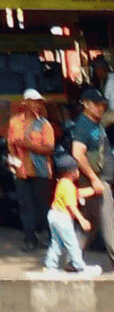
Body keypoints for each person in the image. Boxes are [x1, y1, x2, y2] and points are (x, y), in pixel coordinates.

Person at [70, 87, 114, 263]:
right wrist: (94, 179)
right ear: (86, 104)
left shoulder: (95, 124)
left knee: (90, 223)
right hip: (95, 180)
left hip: (100, 179)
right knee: (109, 221)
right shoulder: (83, 126)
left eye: (102, 105)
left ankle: (71, 259)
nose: (101, 108)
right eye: (97, 104)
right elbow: (77, 153)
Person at [9, 89, 56, 251]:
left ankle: (50, 237)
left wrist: (28, 145)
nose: (37, 105)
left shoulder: (44, 124)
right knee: (25, 207)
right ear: (26, 103)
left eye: (39, 102)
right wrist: (13, 163)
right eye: (34, 102)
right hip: (21, 171)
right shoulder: (15, 122)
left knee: (43, 206)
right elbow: (11, 145)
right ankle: (29, 239)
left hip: (40, 172)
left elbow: (49, 148)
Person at [42, 151, 103, 276]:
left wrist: (94, 190)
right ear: (72, 172)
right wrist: (82, 219)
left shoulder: (62, 183)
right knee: (73, 243)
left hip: (53, 215)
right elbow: (71, 205)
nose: (78, 172)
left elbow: (78, 193)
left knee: (56, 243)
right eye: (77, 170)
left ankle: (51, 266)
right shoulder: (68, 186)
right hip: (62, 217)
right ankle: (80, 266)